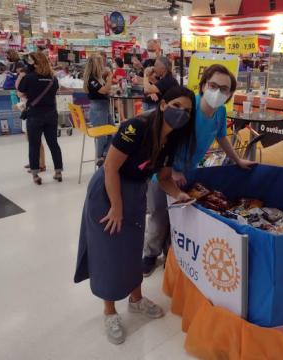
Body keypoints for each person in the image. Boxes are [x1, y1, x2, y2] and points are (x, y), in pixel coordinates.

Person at [74, 86, 197, 345]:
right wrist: (116, 207)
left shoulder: (173, 138)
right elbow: (110, 167)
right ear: (163, 104)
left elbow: (164, 178)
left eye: (187, 111)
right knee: (109, 252)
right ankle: (109, 312)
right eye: (176, 106)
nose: (181, 114)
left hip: (136, 193)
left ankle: (136, 299)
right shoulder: (136, 127)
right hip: (109, 192)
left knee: (132, 250)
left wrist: (178, 194)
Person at [142, 64, 255, 275]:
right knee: (159, 214)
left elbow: (222, 137)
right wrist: (171, 170)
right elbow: (166, 137)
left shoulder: (220, 112)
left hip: (188, 173)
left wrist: (237, 160)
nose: (218, 92)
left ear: (230, 94)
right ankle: (150, 254)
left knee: (179, 216)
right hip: (163, 173)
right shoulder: (187, 107)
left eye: (224, 89)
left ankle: (171, 254)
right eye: (214, 85)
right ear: (203, 85)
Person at [17, 52, 63, 185]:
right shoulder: (53, 79)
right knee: (53, 143)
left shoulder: (29, 77)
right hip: (51, 113)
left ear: (34, 63)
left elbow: (20, 92)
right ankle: (58, 172)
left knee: (34, 145)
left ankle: (36, 175)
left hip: (35, 114)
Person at [83, 54, 114, 166]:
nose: (103, 65)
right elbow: (104, 90)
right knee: (102, 135)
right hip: (98, 108)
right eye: (101, 63)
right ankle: (100, 158)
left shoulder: (97, 78)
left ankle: (105, 154)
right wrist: (110, 77)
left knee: (113, 133)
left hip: (104, 107)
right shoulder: (92, 79)